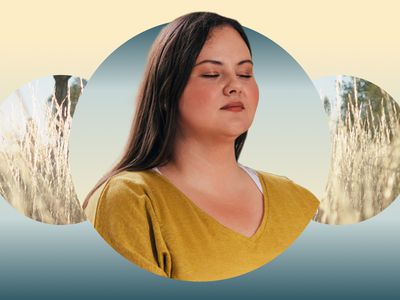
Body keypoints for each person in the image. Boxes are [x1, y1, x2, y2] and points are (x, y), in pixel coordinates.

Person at [83, 12, 319, 281]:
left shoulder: (300, 200)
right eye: (211, 74)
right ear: (166, 92)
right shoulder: (128, 201)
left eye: (245, 73)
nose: (235, 86)